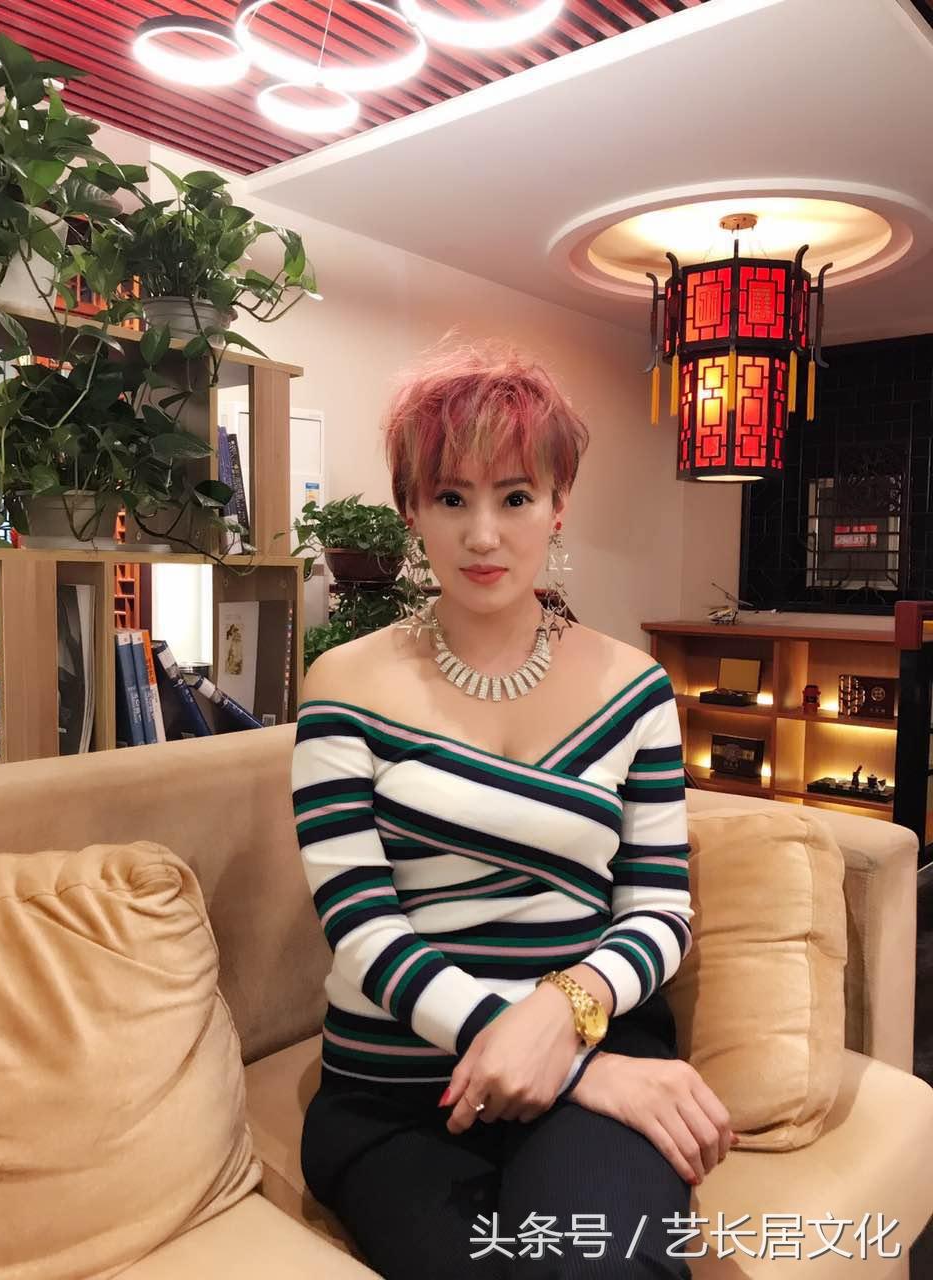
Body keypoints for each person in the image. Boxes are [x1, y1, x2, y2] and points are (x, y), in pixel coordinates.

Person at [291, 340, 736, 1279]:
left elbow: (660, 909)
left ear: (558, 504)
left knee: (602, 1265)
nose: (484, 535)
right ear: (412, 508)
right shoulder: (343, 684)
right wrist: (579, 1065)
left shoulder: (636, 689)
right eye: (452, 498)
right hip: (401, 1090)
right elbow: (360, 927)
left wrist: (567, 1012)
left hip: (591, 1044)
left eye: (516, 497)